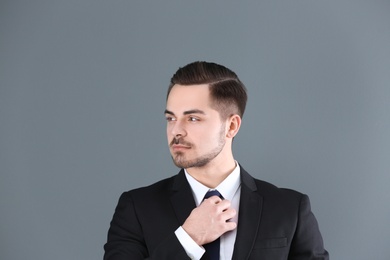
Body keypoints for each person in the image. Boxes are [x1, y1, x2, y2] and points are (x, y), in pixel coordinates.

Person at [103, 61, 329, 260]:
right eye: (171, 118)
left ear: (231, 126)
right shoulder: (137, 207)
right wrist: (188, 239)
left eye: (192, 118)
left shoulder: (289, 209)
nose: (176, 131)